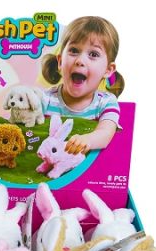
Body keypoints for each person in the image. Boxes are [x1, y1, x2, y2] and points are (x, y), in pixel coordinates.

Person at [41, 16, 124, 155]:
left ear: (108, 70)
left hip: (89, 166)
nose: (80, 60)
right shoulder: (45, 99)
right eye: (74, 50)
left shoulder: (106, 102)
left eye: (93, 54)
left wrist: (88, 140)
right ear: (60, 61)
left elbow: (106, 133)